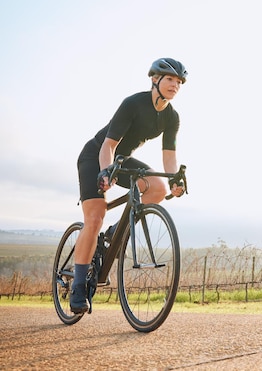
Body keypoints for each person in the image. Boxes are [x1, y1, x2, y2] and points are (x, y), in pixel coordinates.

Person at [70, 58, 188, 313]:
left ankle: (115, 234)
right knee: (94, 217)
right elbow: (109, 146)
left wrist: (174, 180)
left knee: (158, 187)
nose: (174, 85)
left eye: (179, 82)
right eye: (169, 79)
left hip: (124, 161)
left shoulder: (172, 117)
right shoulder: (133, 103)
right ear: (155, 80)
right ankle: (78, 286)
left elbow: (169, 156)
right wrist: (105, 172)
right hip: (96, 156)